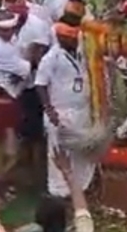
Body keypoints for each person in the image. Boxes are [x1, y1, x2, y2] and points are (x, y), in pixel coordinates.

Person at [35, 13, 96, 198]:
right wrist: (49, 109)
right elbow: (40, 84)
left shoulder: (84, 51)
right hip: (60, 113)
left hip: (82, 112)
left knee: (81, 151)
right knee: (59, 153)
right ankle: (59, 192)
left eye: (70, 37)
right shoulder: (51, 57)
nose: (66, 40)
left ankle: (81, 187)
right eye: (62, 37)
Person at [3, 0, 54, 188]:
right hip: (13, 86)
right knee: (19, 131)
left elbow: (40, 56)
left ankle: (40, 179)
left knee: (36, 134)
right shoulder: (3, 16)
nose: (10, 3)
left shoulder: (38, 18)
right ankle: (24, 173)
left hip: (34, 85)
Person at [0, 9, 32, 201]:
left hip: (5, 95)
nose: (9, 33)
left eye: (11, 29)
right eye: (3, 30)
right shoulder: (0, 49)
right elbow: (26, 70)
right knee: (4, 149)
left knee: (8, 148)